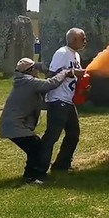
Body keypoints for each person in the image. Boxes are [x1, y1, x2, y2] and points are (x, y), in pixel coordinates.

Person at [0, 58, 80, 184]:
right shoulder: (28, 81)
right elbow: (50, 84)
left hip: (12, 124)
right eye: (35, 68)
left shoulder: (24, 82)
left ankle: (30, 175)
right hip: (14, 125)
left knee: (34, 147)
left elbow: (40, 103)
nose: (37, 70)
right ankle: (31, 177)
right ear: (30, 70)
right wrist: (64, 72)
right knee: (36, 148)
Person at [39, 28, 87, 175]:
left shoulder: (76, 55)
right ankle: (38, 168)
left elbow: (72, 77)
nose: (85, 41)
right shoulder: (62, 53)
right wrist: (72, 73)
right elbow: (51, 75)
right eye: (82, 38)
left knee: (73, 134)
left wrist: (82, 85)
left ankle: (61, 165)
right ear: (73, 40)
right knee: (52, 136)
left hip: (68, 101)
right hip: (58, 100)